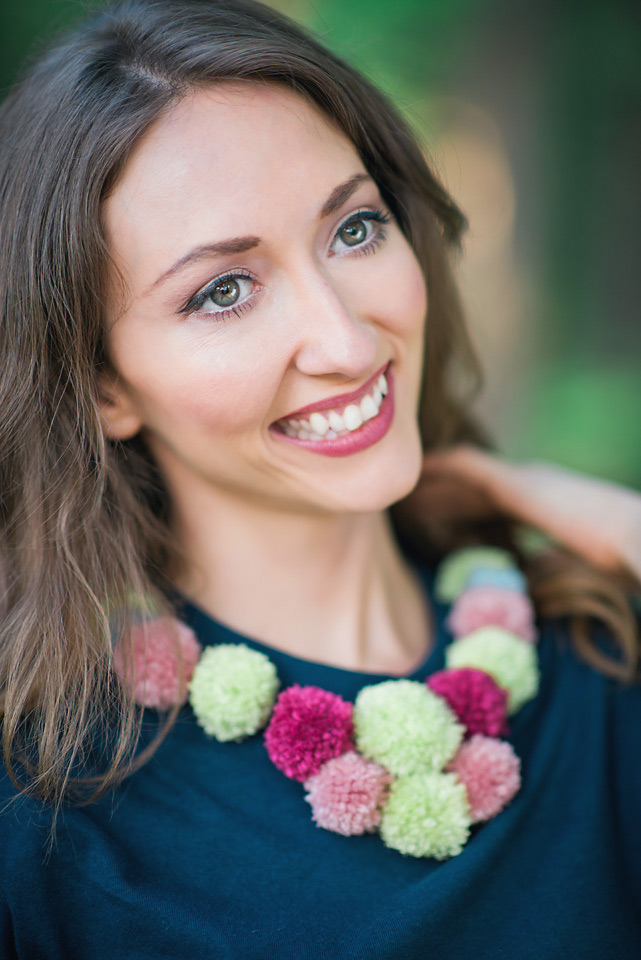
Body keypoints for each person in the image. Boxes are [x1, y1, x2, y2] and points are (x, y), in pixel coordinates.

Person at [0, 1, 639, 957]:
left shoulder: (602, 651)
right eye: (224, 291)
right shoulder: (48, 814)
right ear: (100, 386)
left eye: (353, 229)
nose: (346, 342)